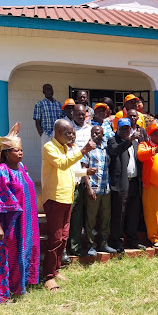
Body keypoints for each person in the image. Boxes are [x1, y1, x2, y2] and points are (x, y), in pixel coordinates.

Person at [0, 123, 40, 304]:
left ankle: (19, 286)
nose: (20, 153)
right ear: (6, 153)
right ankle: (3, 292)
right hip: (9, 223)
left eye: (21, 150)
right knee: (8, 255)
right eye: (15, 150)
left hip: (26, 221)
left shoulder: (22, 168)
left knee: (24, 251)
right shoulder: (1, 172)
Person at [42, 119, 96, 291]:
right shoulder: (49, 147)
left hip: (67, 198)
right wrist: (83, 150)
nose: (72, 135)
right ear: (57, 133)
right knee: (55, 238)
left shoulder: (66, 148)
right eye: (68, 133)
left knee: (64, 237)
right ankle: (48, 276)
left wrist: (85, 171)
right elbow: (62, 164)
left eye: (73, 132)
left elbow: (70, 169)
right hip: (54, 199)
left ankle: (56, 271)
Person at [107, 118, 146, 252]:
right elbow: (115, 151)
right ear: (117, 129)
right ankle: (117, 242)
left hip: (134, 182)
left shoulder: (135, 143)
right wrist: (129, 140)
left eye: (127, 128)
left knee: (133, 213)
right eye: (122, 128)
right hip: (120, 183)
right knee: (119, 214)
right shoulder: (113, 140)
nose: (125, 131)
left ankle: (133, 240)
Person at [82, 126, 116, 255]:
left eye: (98, 133)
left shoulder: (106, 148)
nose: (95, 135)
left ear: (103, 134)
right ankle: (91, 245)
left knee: (106, 218)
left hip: (106, 189)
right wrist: (89, 188)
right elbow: (84, 169)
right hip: (94, 189)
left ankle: (104, 244)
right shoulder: (89, 148)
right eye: (93, 133)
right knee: (91, 219)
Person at [67, 104, 94, 256]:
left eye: (83, 113)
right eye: (77, 113)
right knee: (70, 215)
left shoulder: (89, 129)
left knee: (80, 215)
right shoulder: (67, 133)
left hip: (86, 178)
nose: (81, 116)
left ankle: (76, 246)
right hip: (71, 179)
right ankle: (67, 247)